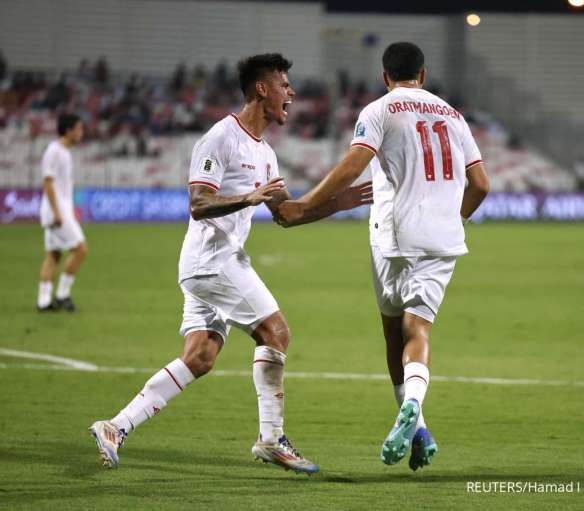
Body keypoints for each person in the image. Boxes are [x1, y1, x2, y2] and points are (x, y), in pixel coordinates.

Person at [89, 53, 372, 474]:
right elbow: (199, 203)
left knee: (200, 356)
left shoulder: (267, 155)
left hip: (211, 264)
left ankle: (116, 426)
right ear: (262, 88)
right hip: (213, 260)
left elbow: (287, 215)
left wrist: (339, 203)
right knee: (276, 332)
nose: (291, 92)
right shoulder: (220, 138)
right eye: (284, 84)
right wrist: (248, 197)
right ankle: (272, 440)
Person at [279, 42, 490, 471]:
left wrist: (307, 201)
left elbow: (354, 164)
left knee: (395, 335)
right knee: (420, 330)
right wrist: (456, 218)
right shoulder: (453, 115)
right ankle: (418, 421)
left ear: (384, 76)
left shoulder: (380, 110)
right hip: (444, 239)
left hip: (394, 237)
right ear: (424, 75)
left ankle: (416, 419)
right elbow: (482, 184)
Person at [37, 113, 87, 312]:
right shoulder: (54, 151)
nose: (81, 133)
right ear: (68, 130)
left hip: (60, 209)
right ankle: (62, 295)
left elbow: (62, 186)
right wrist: (58, 212)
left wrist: (68, 209)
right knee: (80, 249)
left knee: (54, 255)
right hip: (55, 211)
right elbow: (48, 182)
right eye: (79, 128)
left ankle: (43, 301)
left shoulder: (64, 152)